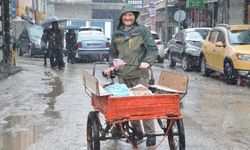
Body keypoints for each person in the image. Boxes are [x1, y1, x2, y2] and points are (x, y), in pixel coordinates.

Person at [104, 4, 158, 147]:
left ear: (135, 17)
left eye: (130, 15)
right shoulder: (117, 34)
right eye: (125, 15)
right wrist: (111, 65)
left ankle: (151, 134)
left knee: (143, 104)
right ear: (121, 17)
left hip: (140, 73)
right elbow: (113, 53)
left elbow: (152, 49)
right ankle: (137, 132)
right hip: (122, 75)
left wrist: (147, 62)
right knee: (129, 106)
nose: (128, 18)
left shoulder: (143, 31)